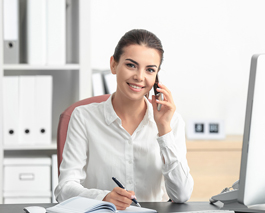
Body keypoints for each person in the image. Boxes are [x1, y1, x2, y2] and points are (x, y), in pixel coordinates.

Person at [54, 29, 194, 210]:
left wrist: (164, 129)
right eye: (131, 65)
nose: (139, 77)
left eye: (150, 70)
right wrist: (102, 197)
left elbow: (182, 195)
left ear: (156, 78)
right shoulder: (83, 117)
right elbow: (64, 189)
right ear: (114, 65)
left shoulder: (172, 122)